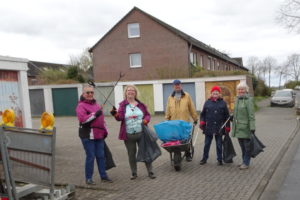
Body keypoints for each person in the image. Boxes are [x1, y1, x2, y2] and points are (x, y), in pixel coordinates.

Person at [110, 85, 156, 180]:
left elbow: (147, 115)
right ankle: (134, 173)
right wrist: (115, 114)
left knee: (146, 152)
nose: (130, 92)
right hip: (128, 134)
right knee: (131, 154)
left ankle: (150, 171)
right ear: (125, 93)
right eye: (128, 90)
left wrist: (145, 121)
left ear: (135, 93)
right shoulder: (122, 105)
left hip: (142, 133)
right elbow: (120, 118)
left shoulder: (141, 105)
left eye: (132, 90)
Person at [76, 85, 112, 185]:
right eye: (88, 92)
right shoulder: (81, 106)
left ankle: (103, 176)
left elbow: (102, 120)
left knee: (101, 156)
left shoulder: (96, 105)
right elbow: (83, 120)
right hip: (87, 135)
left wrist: (105, 131)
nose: (90, 94)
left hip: (99, 135)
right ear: (83, 94)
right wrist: (95, 114)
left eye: (92, 92)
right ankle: (88, 178)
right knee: (90, 157)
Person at [165, 79, 198, 161]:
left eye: (178, 84)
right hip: (174, 123)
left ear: (181, 85)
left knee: (186, 139)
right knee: (176, 140)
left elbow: (192, 108)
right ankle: (177, 153)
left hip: (184, 123)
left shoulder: (187, 95)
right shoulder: (170, 97)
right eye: (175, 85)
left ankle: (187, 154)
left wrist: (195, 118)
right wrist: (166, 119)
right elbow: (168, 109)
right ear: (173, 86)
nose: (177, 86)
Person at [199, 86, 230, 166]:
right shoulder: (207, 102)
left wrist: (227, 126)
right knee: (207, 144)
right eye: (213, 93)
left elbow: (227, 116)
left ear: (219, 94)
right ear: (211, 93)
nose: (215, 94)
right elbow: (202, 114)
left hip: (219, 127)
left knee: (219, 145)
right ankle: (204, 158)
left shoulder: (223, 103)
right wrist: (202, 122)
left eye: (217, 93)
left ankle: (219, 159)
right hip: (208, 127)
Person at [231, 82, 255, 170]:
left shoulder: (249, 100)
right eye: (239, 89)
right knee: (242, 147)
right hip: (238, 127)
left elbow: (251, 115)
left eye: (242, 89)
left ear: (246, 90)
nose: (240, 91)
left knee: (247, 147)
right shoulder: (237, 99)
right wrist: (233, 116)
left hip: (246, 128)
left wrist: (252, 127)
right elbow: (236, 111)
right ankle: (243, 161)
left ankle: (246, 163)